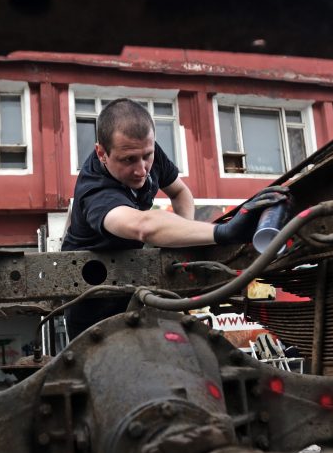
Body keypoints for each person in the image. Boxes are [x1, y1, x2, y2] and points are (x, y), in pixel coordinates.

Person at [60, 98, 273, 337]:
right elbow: (143, 226)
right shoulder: (95, 192)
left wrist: (185, 245)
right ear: (102, 153)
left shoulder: (142, 149)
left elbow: (181, 193)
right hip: (93, 306)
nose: (141, 169)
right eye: (128, 160)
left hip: (135, 284)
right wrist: (223, 232)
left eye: (146, 156)